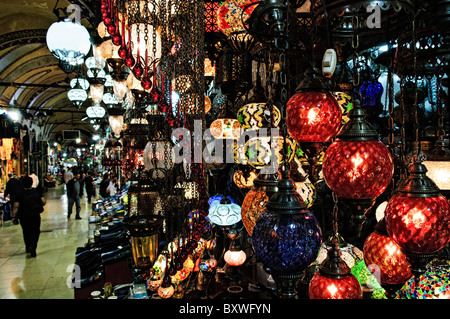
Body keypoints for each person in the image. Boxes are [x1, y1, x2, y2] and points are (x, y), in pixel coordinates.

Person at [11, 176, 46, 257]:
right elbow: (43, 202)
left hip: (24, 216)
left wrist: (14, 217)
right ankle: (33, 247)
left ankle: (27, 246)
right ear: (31, 183)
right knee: (35, 231)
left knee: (26, 232)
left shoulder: (20, 193)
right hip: (35, 216)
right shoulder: (36, 192)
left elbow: (16, 206)